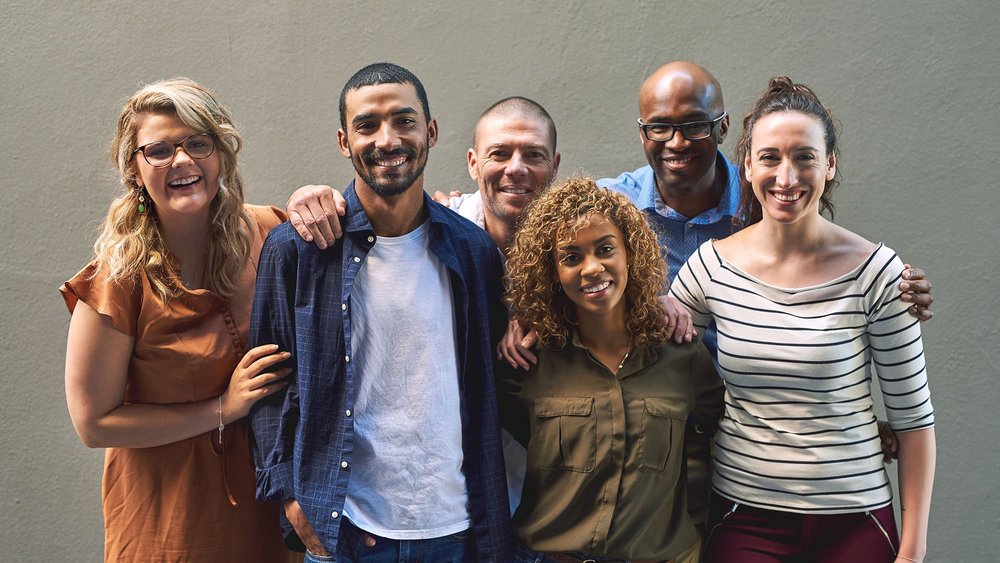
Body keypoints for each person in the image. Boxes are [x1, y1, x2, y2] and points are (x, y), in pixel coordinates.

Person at [248, 62, 513, 563]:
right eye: (367, 125)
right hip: (343, 529)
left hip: (458, 532)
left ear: (430, 132)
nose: (387, 139)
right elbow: (267, 387)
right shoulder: (298, 249)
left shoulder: (473, 251)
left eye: (404, 121)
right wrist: (291, 501)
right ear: (345, 142)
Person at [669, 76, 935, 563]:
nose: (786, 178)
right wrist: (536, 316)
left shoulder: (880, 274)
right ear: (747, 165)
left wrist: (913, 551)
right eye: (770, 157)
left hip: (857, 519)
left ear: (829, 165)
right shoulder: (711, 266)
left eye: (805, 157)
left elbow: (914, 422)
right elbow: (646, 346)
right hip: (743, 516)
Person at [61, 78, 299, 562]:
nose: (183, 161)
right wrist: (222, 408)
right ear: (134, 168)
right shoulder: (118, 278)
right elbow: (94, 423)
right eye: (160, 150)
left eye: (197, 143)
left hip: (268, 507)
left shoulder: (271, 233)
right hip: (168, 520)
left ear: (221, 155)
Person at [499, 177, 724, 562]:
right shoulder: (529, 360)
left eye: (605, 249)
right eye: (571, 257)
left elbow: (711, 438)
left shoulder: (680, 354)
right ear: (551, 271)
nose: (591, 268)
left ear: (630, 254)